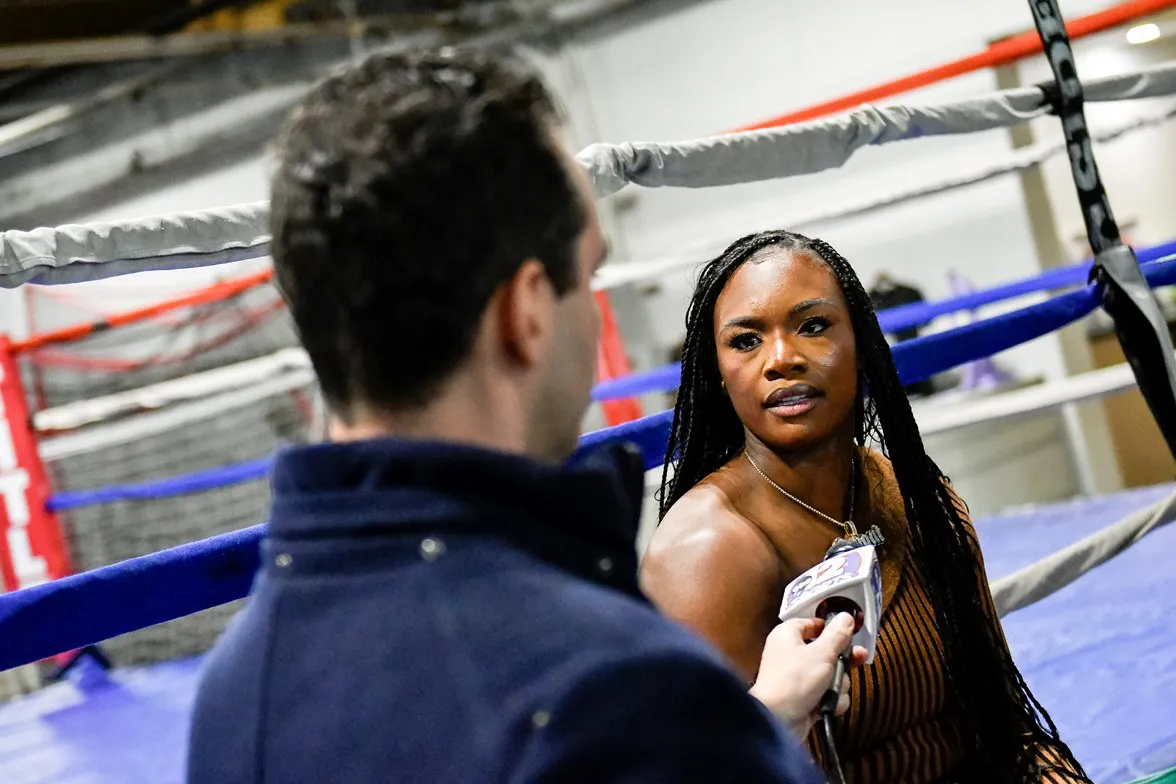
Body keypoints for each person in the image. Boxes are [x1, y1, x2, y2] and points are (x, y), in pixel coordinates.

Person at [187, 49, 864, 783]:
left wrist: (751, 726)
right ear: (529, 311)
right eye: (589, 276)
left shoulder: (236, 690)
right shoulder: (621, 694)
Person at [640, 230, 1091, 784]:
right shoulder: (706, 551)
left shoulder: (914, 494)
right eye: (746, 341)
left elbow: (1003, 723)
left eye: (812, 326)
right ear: (717, 370)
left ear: (862, 343)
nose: (782, 359)